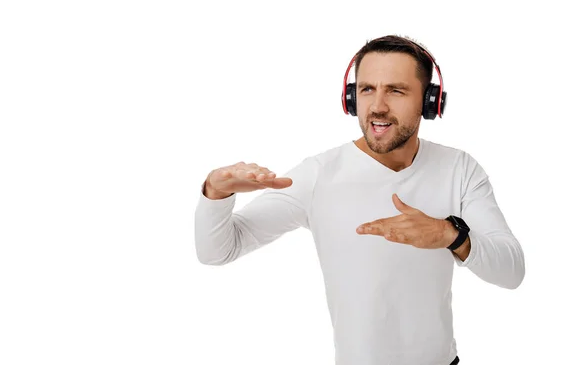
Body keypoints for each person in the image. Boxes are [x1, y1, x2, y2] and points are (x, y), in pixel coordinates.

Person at [193, 35, 525, 365]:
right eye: (367, 89)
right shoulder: (319, 175)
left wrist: (449, 235)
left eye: (395, 90)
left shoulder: (460, 169)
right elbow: (218, 251)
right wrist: (217, 193)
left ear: (430, 101)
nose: (378, 106)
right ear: (351, 98)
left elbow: (512, 271)